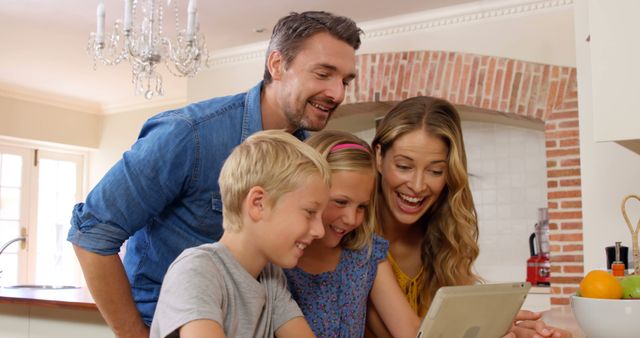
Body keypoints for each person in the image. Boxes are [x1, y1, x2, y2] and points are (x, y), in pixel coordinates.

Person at [67, 11, 362, 338]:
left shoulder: (308, 159)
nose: (337, 93)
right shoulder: (188, 135)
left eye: (345, 81)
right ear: (277, 65)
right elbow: (92, 233)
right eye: (324, 74)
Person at [365, 96, 571, 338]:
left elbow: (457, 327)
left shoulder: (445, 235)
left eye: (435, 171)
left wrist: (509, 327)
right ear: (379, 157)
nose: (418, 185)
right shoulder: (359, 238)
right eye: (404, 166)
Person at [150, 130, 330, 338]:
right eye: (310, 212)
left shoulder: (271, 277)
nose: (320, 231)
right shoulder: (196, 270)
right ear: (258, 203)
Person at [284, 130, 421, 338]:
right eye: (340, 202)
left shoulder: (365, 253)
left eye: (362, 207)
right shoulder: (277, 259)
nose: (351, 219)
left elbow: (411, 330)